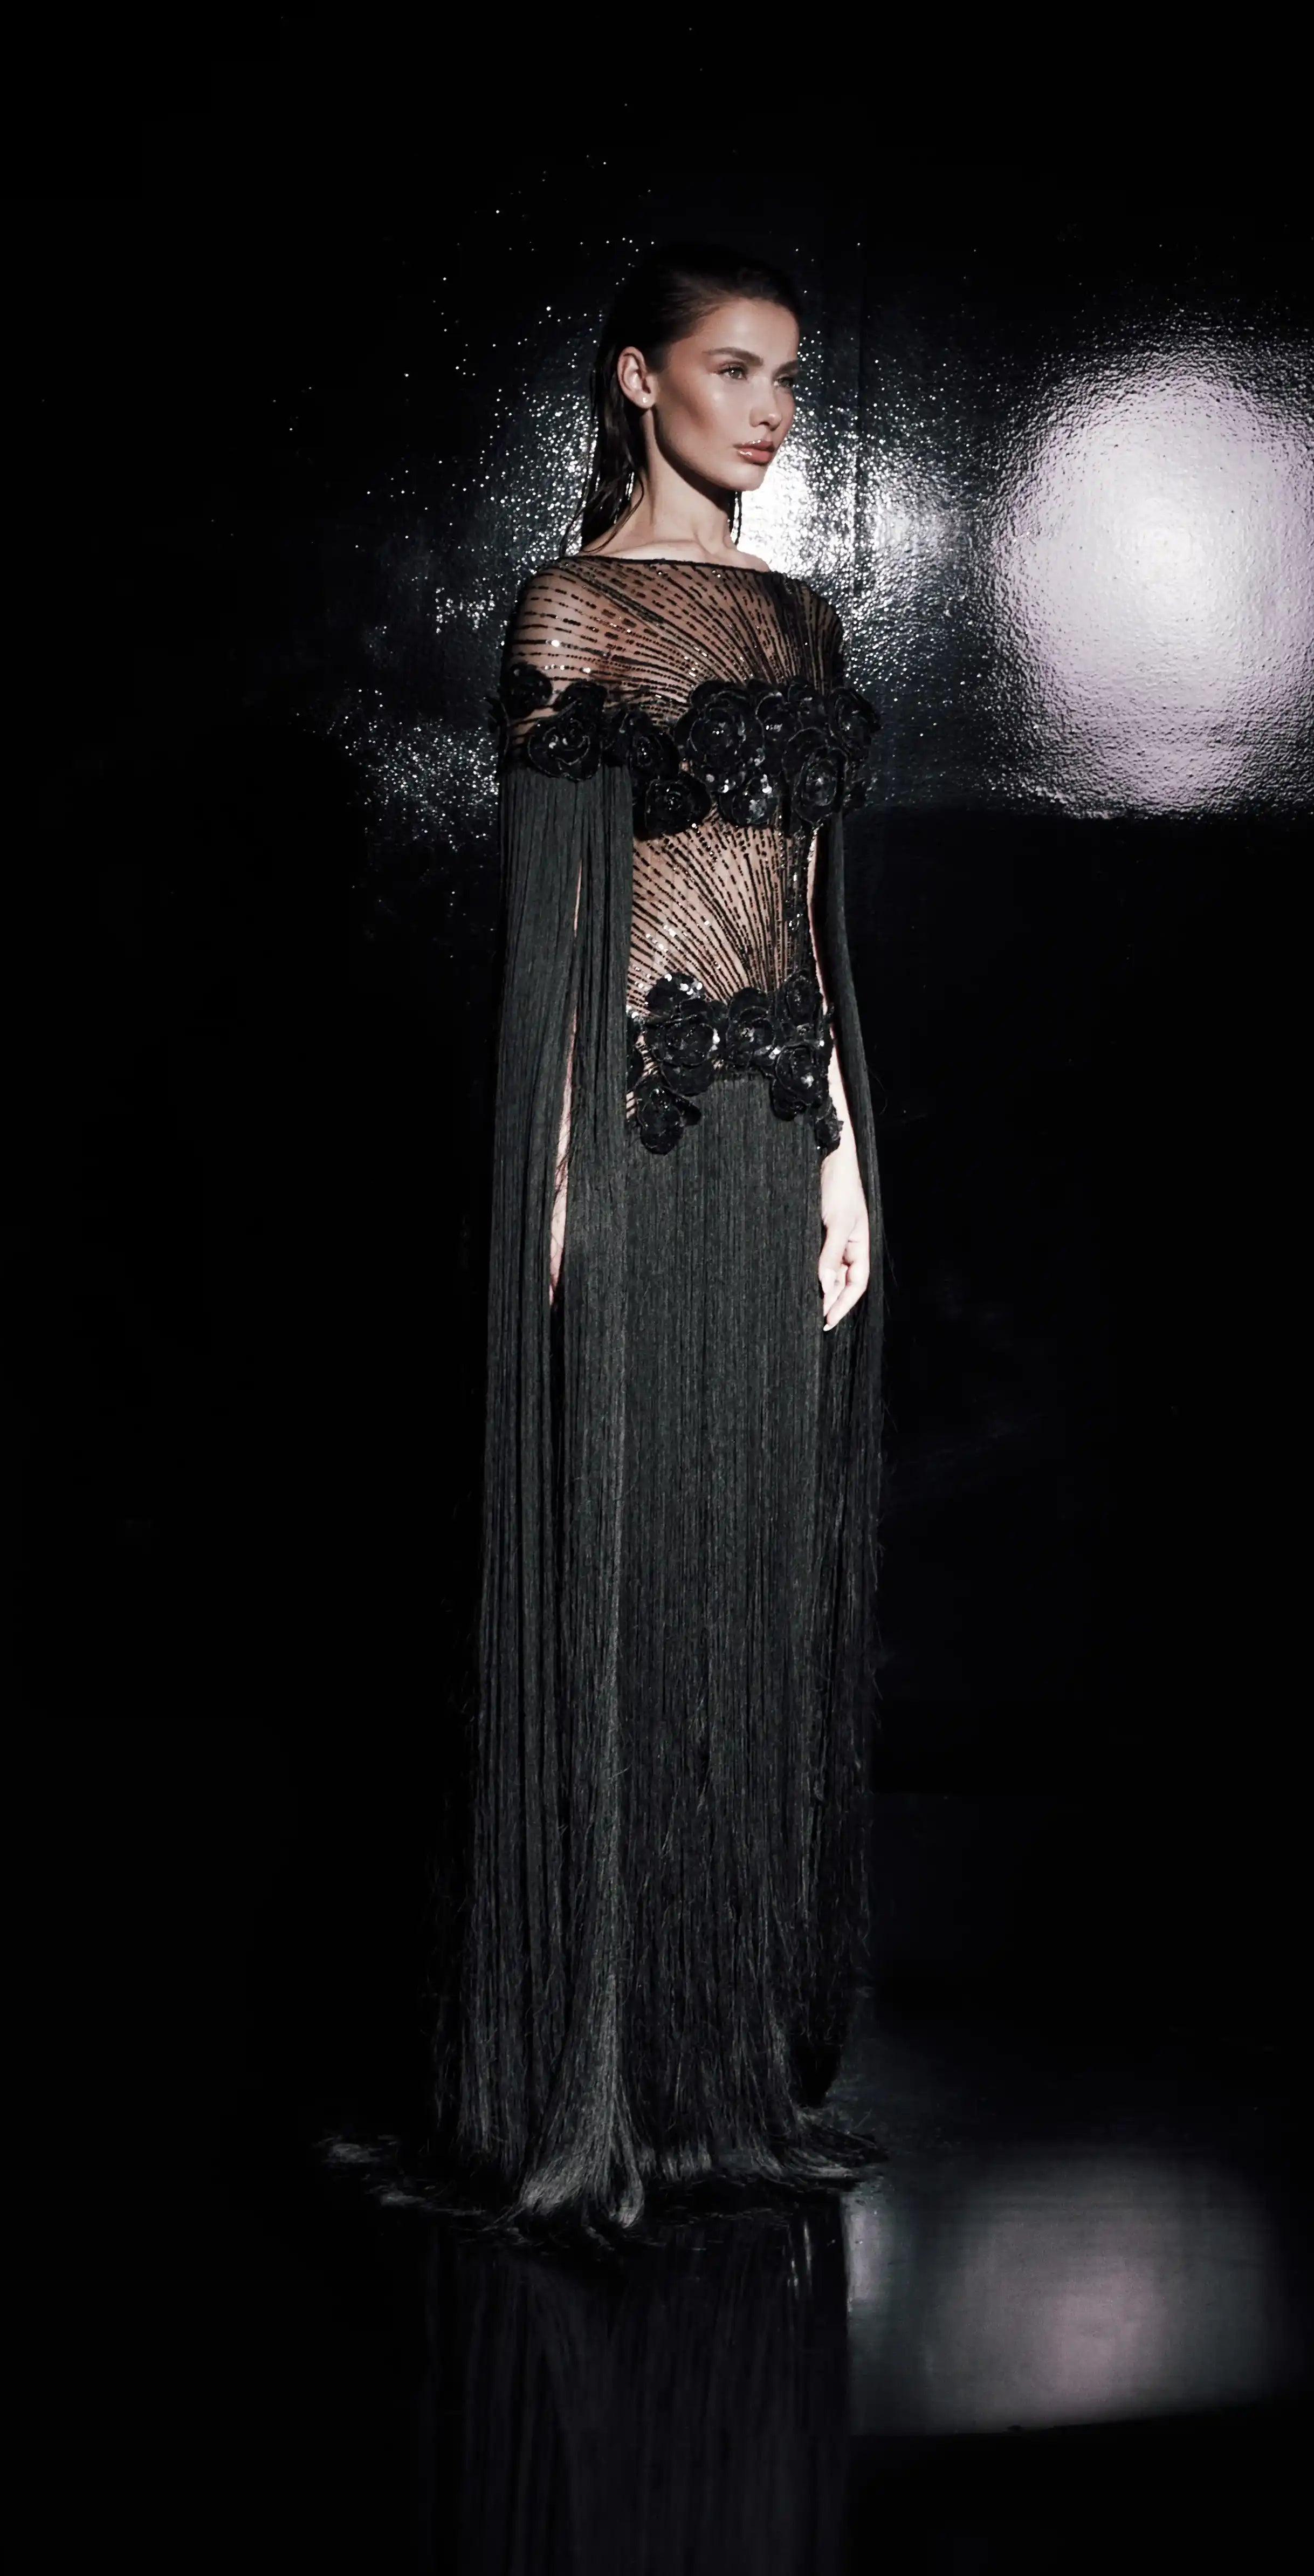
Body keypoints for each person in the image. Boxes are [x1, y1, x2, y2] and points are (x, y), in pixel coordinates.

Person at [441, 244, 887, 2237]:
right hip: (628, 1132)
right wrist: (551, 1186)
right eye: (734, 369)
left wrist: (846, 1156)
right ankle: (591, 2086)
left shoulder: (802, 617)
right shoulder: (574, 606)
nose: (771, 409)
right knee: (623, 1577)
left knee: (742, 1570)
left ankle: (716, 2075)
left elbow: (802, 904)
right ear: (641, 379)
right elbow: (563, 927)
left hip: (776, 1128)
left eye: (789, 376)